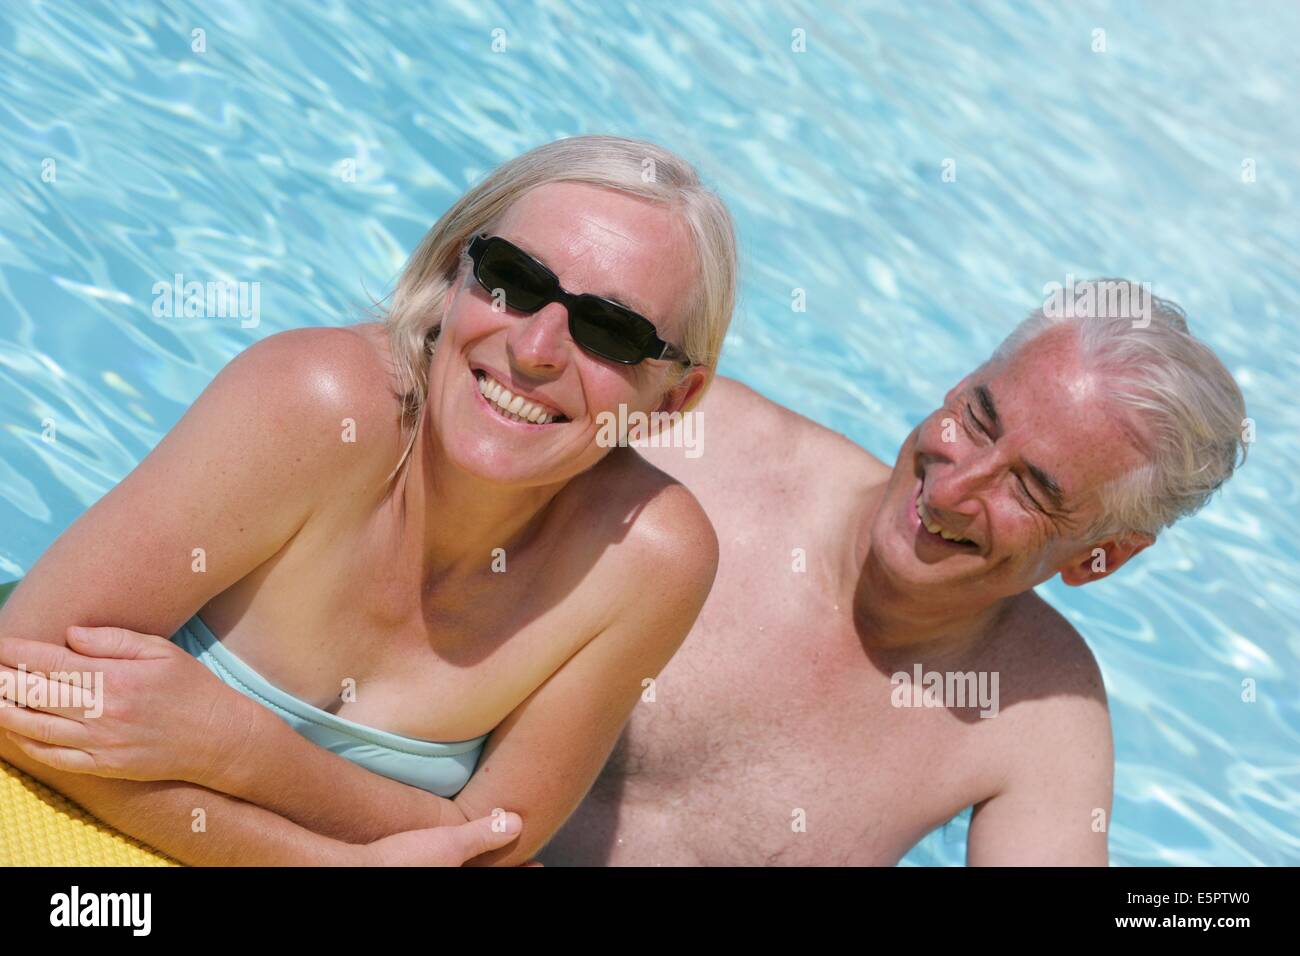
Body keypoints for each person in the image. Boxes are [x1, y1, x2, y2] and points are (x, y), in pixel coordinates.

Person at [0, 135, 736, 866]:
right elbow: (17, 680)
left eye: (611, 328)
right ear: (456, 274)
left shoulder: (648, 557)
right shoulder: (318, 406)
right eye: (514, 279)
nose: (536, 347)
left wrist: (240, 749)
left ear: (674, 397)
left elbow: (492, 846)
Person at [539, 282, 1248, 865]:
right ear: (961, 382)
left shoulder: (1037, 713)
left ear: (1102, 557)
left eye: (1030, 489)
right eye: (977, 418)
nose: (949, 491)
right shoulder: (693, 448)